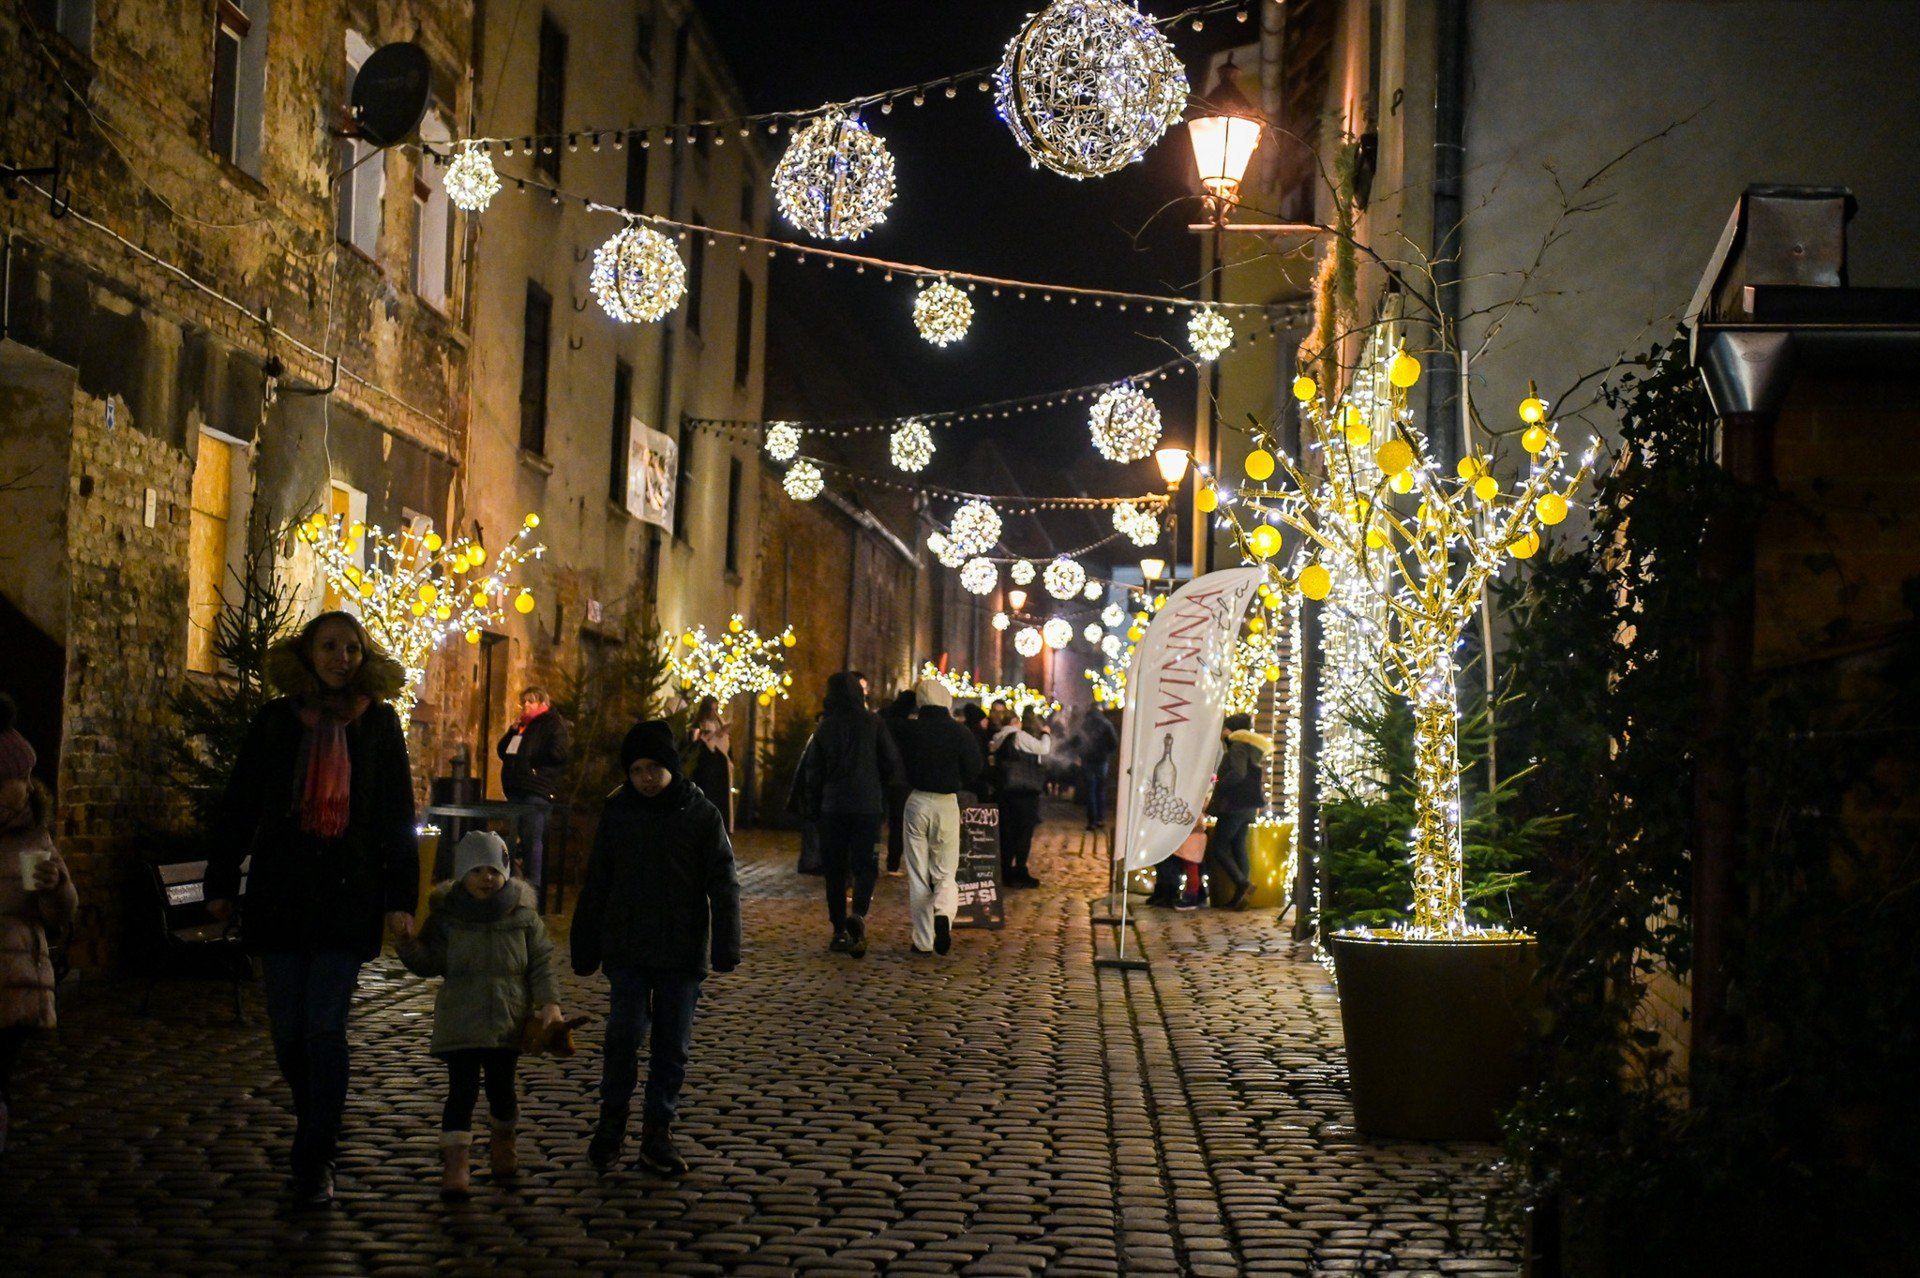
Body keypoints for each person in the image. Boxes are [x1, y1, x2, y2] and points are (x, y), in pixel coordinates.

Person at [206, 611, 419, 1206]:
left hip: (348, 896)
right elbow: (241, 802)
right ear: (308, 653)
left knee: (324, 1028)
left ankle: (315, 1154)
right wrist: (220, 880)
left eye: (352, 649)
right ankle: (315, 1119)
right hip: (282, 894)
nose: (340, 659)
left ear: (364, 657)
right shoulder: (276, 721)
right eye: (329, 646)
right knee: (288, 1035)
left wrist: (401, 898)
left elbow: (395, 814)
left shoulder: (379, 724)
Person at [572, 720, 740, 1176]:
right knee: (622, 1036)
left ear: (671, 767)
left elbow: (723, 881)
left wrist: (726, 943)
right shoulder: (619, 812)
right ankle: (611, 1125)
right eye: (637, 770)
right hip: (627, 946)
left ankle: (657, 1132)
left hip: (681, 950)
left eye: (653, 769)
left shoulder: (700, 814)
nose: (645, 778)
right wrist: (585, 942)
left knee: (671, 1046)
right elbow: (599, 879)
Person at [397, 831, 562, 1199]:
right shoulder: (447, 918)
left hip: (507, 1021)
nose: (486, 878)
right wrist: (407, 944)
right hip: (461, 1021)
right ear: (462, 874)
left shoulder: (523, 917)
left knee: (502, 1090)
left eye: (493, 870)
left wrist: (549, 1004)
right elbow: (429, 962)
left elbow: (540, 965)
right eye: (476, 870)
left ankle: (504, 1143)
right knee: (462, 1092)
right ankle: (456, 1163)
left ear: (505, 872)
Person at [0, 694, 77, 1163]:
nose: (27, 786)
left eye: (29, 776)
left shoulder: (32, 834)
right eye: (17, 778)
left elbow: (61, 914)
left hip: (15, 983)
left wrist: (54, 889)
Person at [791, 673, 903, 958]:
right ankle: (859, 913)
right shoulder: (874, 723)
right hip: (867, 806)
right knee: (866, 865)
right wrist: (878, 785)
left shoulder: (826, 727)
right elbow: (891, 761)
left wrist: (813, 806)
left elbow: (814, 771)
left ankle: (839, 929)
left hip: (833, 808)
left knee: (836, 870)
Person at [891, 678, 984, 956]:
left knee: (918, 875)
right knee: (945, 873)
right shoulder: (960, 732)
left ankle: (923, 940)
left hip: (917, 800)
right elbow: (974, 768)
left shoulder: (909, 729)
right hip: (946, 802)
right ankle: (943, 914)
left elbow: (889, 718)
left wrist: (907, 698)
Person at [496, 685, 571, 895]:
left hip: (536, 789)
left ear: (542, 703)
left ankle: (533, 889)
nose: (526, 705)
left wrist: (532, 762)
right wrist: (512, 731)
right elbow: (503, 751)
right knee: (515, 837)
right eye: (524, 701)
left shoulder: (552, 723)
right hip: (516, 788)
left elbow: (559, 752)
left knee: (532, 838)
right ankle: (514, 886)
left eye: (531, 701)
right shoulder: (522, 726)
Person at [1203, 713, 1273, 910]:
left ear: (1231, 730)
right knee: (1238, 847)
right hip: (1248, 806)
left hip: (1234, 805)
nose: (1221, 732)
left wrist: (1219, 784)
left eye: (1224, 728)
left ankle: (1243, 884)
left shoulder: (1238, 746)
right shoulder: (1251, 747)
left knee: (1218, 848)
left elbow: (1238, 773)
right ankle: (1241, 896)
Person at [990, 707, 1051, 889]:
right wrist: (1046, 733)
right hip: (1024, 791)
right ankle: (1020, 870)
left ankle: (1006, 870)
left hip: (1005, 791)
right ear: (1015, 721)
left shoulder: (997, 738)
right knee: (1024, 831)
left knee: (1007, 831)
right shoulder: (1018, 736)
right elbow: (1043, 748)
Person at [878, 690, 917, 877]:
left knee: (877, 823)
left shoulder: (882, 721)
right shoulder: (909, 727)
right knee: (897, 824)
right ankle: (892, 863)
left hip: (880, 777)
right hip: (901, 781)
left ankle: (872, 857)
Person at [682, 695, 734, 832]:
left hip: (720, 768)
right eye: (712, 709)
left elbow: (726, 747)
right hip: (705, 769)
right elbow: (695, 745)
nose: (714, 713)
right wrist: (714, 735)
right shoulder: (698, 726)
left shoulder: (719, 723)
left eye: (716, 709)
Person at [1073, 706, 1119, 831]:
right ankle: (1100, 819)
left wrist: (1079, 753)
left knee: (1090, 791)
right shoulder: (1107, 723)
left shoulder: (1085, 724)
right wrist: (1106, 753)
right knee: (1100, 790)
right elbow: (1114, 742)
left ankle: (1091, 821)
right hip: (1102, 761)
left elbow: (1077, 740)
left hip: (1087, 761)